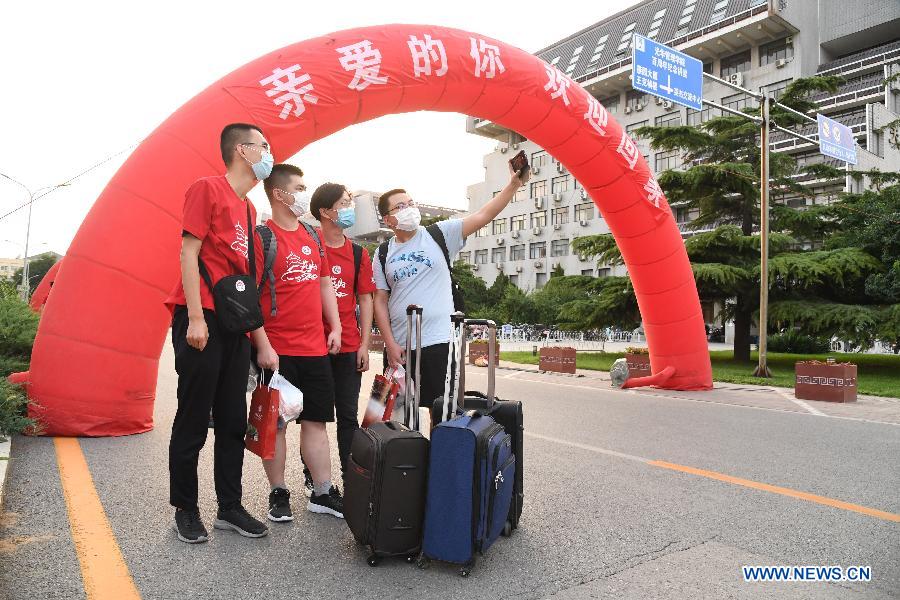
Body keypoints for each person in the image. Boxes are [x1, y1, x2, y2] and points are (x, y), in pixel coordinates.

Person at [165, 122, 277, 544]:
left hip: (233, 324)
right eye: (264, 146)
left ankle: (229, 507)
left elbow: (244, 281)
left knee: (232, 419)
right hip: (202, 318)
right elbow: (188, 252)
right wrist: (195, 317)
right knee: (194, 417)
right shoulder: (206, 188)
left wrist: (259, 341)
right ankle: (186, 508)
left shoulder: (249, 208)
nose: (269, 153)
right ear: (243, 151)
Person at [373, 159, 530, 421]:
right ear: (389, 219)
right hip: (401, 346)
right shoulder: (383, 252)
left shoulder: (439, 234)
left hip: (440, 341)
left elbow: (483, 215)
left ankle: (441, 462)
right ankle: (405, 462)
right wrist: (389, 344)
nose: (409, 209)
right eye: (400, 206)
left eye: (411, 203)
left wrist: (513, 186)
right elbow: (380, 299)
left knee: (442, 413)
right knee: (395, 415)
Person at [251, 164, 345, 523]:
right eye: (300, 187)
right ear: (280, 194)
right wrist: (262, 345)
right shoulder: (262, 237)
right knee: (275, 424)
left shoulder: (312, 235)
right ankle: (278, 493)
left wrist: (334, 326)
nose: (305, 193)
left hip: (315, 349)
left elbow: (324, 284)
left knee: (317, 421)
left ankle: (322, 492)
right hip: (277, 351)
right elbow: (248, 298)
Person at [308, 183, 376, 487]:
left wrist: (364, 345)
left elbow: (365, 299)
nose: (349, 207)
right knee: (314, 417)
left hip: (348, 345)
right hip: (313, 346)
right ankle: (315, 478)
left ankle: (352, 480)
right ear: (325, 211)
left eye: (350, 201)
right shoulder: (309, 245)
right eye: (344, 202)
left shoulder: (359, 253)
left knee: (347, 415)